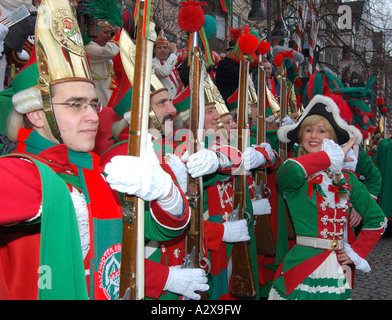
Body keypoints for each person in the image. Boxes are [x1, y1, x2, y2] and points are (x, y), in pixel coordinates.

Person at [0, 0, 205, 300]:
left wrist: (166, 193)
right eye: (75, 105)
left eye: (93, 104)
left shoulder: (97, 170)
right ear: (35, 113)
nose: (94, 116)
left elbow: (165, 230)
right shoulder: (24, 171)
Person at [268, 95, 387, 300]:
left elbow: (377, 220)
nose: (313, 135)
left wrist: (356, 252)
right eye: (308, 130)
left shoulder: (347, 179)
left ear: (332, 138)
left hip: (337, 267)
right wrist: (328, 158)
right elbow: (289, 173)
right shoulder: (295, 172)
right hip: (302, 265)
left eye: (321, 131)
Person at [85, 20, 120, 106]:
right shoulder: (88, 48)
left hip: (109, 95)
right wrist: (118, 35)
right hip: (99, 98)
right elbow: (110, 51)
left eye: (110, 33)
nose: (109, 36)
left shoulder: (101, 46)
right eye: (106, 33)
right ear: (94, 32)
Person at [151, 29, 184, 99]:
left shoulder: (170, 62)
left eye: (165, 47)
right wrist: (174, 53)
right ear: (154, 50)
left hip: (177, 100)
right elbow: (164, 72)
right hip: (165, 103)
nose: (162, 50)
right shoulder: (152, 62)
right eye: (159, 48)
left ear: (168, 50)